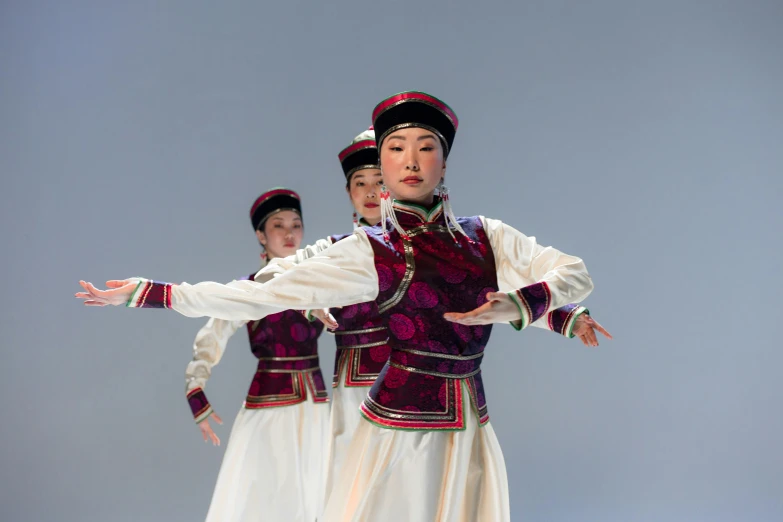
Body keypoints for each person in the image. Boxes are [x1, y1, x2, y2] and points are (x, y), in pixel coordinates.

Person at [77, 91, 604, 521]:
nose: (411, 162)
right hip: (394, 423)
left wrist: (532, 307)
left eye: (426, 147)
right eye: (396, 149)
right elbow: (259, 293)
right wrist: (157, 293)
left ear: (445, 160)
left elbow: (570, 273)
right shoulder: (365, 251)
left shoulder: (484, 236)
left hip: (470, 420)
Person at [182, 188, 328, 522]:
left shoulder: (321, 284)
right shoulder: (249, 290)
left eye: (295, 224)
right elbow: (213, 333)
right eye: (278, 225)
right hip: (269, 406)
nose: (289, 233)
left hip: (317, 405)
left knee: (318, 491)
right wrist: (196, 387)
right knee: (266, 494)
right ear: (261, 235)